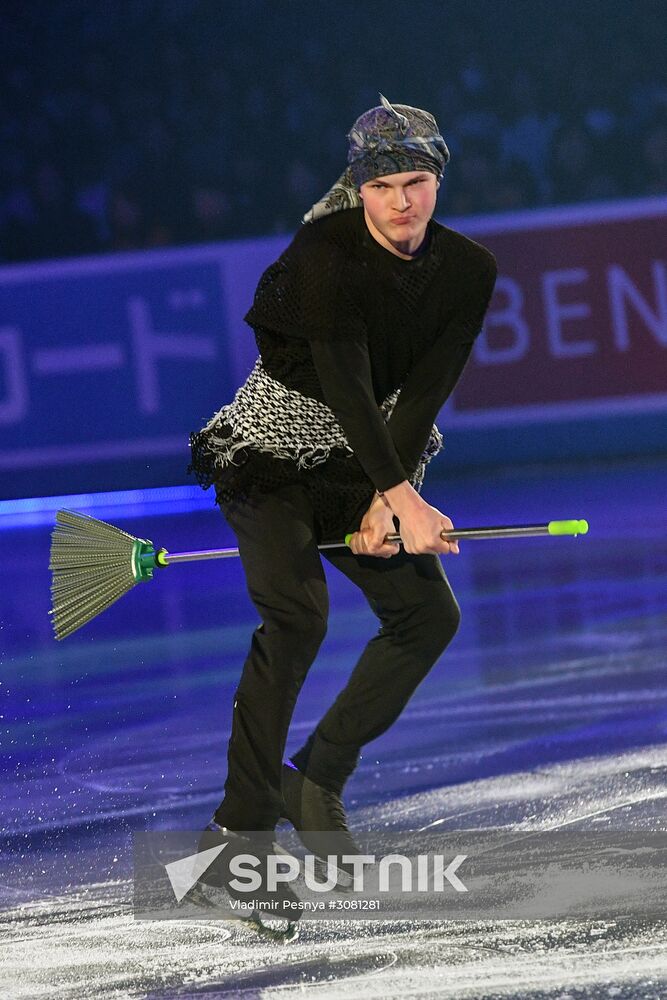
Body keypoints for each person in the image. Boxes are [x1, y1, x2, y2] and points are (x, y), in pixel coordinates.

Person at [188, 95, 497, 887]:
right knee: (296, 618)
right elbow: (348, 386)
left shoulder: (468, 270)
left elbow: (422, 395)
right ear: (358, 189)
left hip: (359, 466)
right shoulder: (323, 250)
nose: (401, 201)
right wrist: (397, 498)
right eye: (383, 184)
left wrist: (391, 497)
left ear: (438, 180)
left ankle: (314, 776)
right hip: (268, 455)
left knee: (426, 614)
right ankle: (235, 839)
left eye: (416, 180)